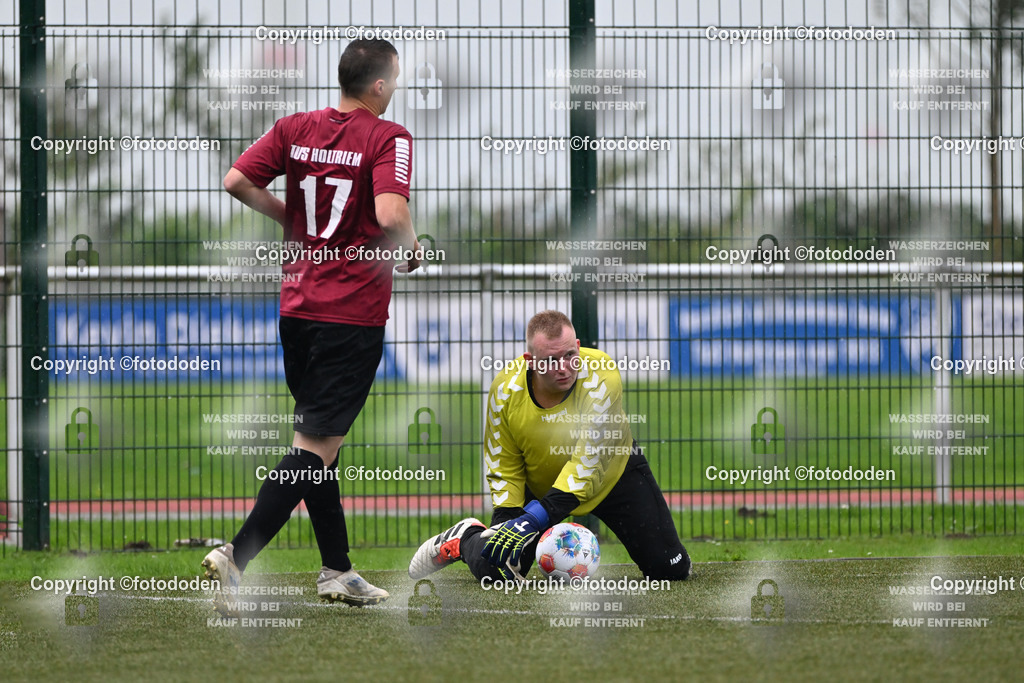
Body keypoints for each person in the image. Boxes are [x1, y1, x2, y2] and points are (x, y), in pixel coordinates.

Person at [202, 38, 420, 608]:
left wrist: (291, 218)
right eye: (393, 79)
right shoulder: (387, 136)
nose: (394, 89)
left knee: (322, 443)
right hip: (351, 315)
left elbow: (235, 181)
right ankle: (236, 554)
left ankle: (337, 570)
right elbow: (389, 213)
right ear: (378, 85)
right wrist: (414, 246)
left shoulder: (294, 127)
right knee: (314, 448)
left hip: (297, 309)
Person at [409, 310, 691, 583]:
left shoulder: (603, 376)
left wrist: (534, 518)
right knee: (494, 571)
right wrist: (509, 515)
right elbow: (502, 461)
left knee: (669, 569)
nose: (564, 368)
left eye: (570, 355)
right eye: (550, 360)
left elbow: (588, 464)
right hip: (538, 484)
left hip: (612, 476)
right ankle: (465, 536)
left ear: (578, 346)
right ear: (530, 361)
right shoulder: (505, 390)